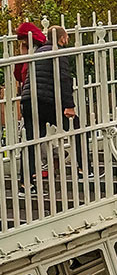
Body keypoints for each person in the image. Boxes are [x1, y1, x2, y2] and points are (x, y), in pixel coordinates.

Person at [15, 21, 77, 194]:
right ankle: (83, 170)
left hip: (28, 100)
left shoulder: (35, 52)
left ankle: (25, 185)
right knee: (76, 127)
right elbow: (64, 78)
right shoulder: (57, 51)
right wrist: (69, 105)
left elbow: (20, 75)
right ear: (62, 39)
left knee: (32, 141)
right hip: (46, 100)